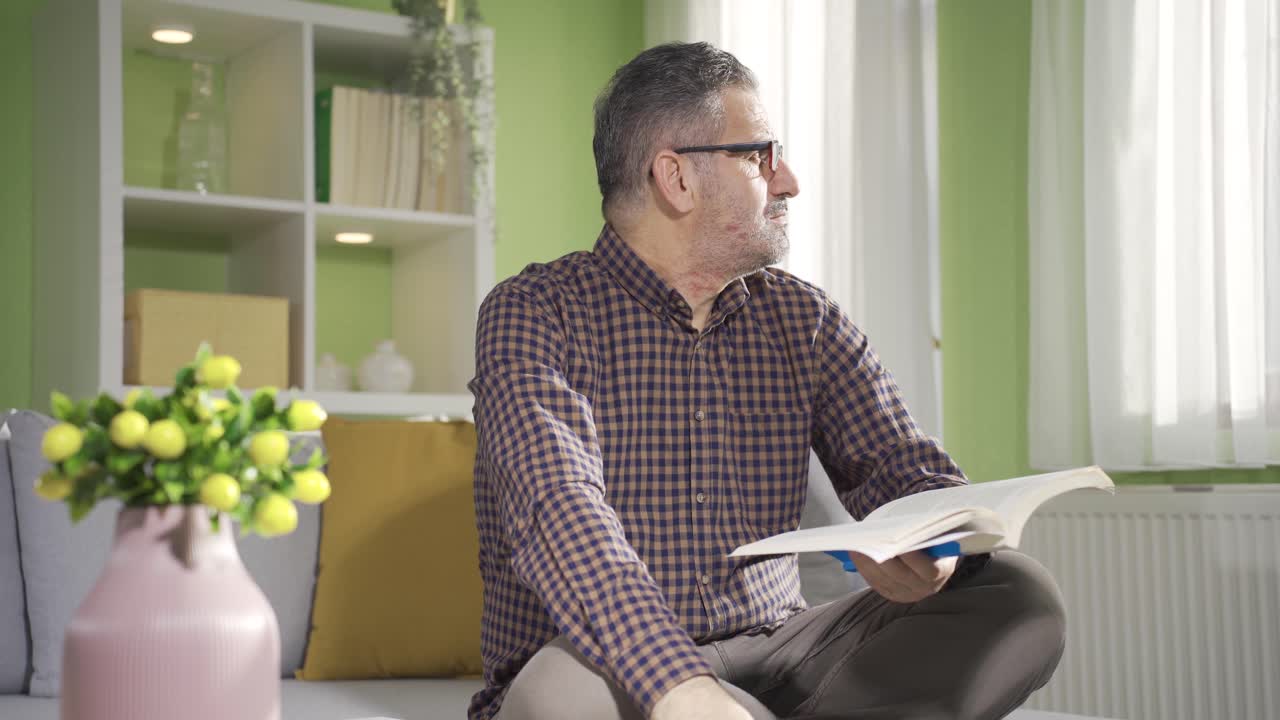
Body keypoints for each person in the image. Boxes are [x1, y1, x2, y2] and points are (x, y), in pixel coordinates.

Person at [467, 42, 1066, 720]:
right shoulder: (534, 311)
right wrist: (683, 689)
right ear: (676, 178)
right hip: (599, 664)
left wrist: (931, 545)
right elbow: (561, 514)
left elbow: (907, 469)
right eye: (760, 156)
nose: (788, 182)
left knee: (1016, 594)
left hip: (781, 650)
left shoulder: (802, 317)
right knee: (558, 695)